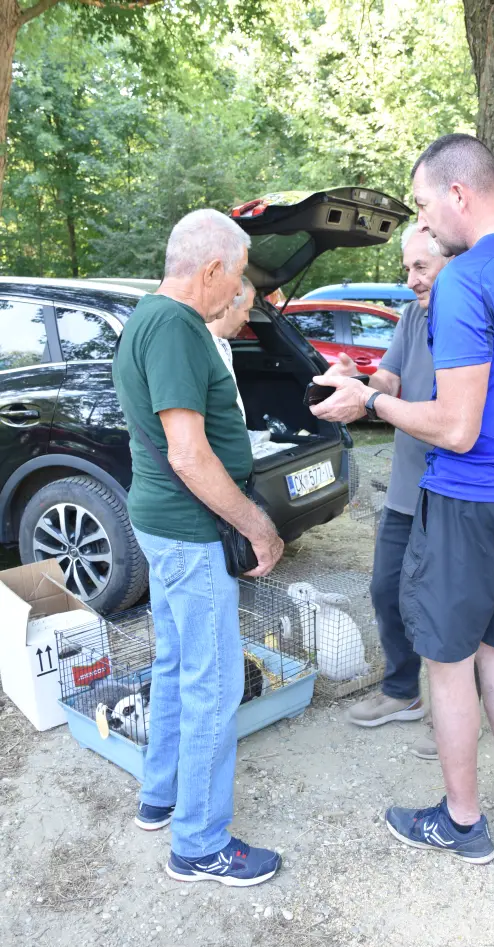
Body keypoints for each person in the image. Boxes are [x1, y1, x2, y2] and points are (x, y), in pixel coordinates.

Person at [311, 133, 494, 864]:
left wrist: (371, 398)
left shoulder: (469, 278)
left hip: (468, 500)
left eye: (429, 204)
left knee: (449, 664)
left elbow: (456, 427)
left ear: (459, 192)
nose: (428, 223)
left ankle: (463, 822)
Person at [113, 209, 284, 886]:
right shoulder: (179, 328)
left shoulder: (146, 318)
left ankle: (160, 797)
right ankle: (201, 843)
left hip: (162, 524)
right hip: (187, 531)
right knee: (212, 684)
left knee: (180, 663)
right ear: (212, 268)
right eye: (237, 278)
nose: (237, 295)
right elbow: (188, 454)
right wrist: (256, 524)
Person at [335, 224, 481, 759]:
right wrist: (360, 378)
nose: (411, 279)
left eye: (421, 267)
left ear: (452, 262)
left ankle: (460, 714)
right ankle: (402, 692)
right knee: (386, 589)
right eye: (407, 268)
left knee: (452, 607)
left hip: (455, 492)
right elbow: (390, 386)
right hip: (405, 490)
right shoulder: (413, 315)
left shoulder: (472, 315)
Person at [207, 276, 256, 422]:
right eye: (246, 310)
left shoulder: (222, 345)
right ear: (228, 305)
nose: (248, 319)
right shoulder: (204, 348)